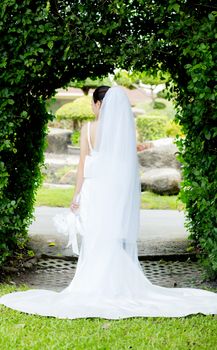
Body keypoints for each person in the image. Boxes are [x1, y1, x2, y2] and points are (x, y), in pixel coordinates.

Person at [0, 85, 217, 319]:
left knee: (95, 238)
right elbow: (125, 166)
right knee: (111, 237)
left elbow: (82, 164)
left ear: (99, 104)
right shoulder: (122, 132)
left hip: (93, 191)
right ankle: (116, 283)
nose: (93, 109)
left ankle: (94, 284)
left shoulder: (88, 129)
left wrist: (76, 196)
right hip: (113, 192)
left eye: (93, 104)